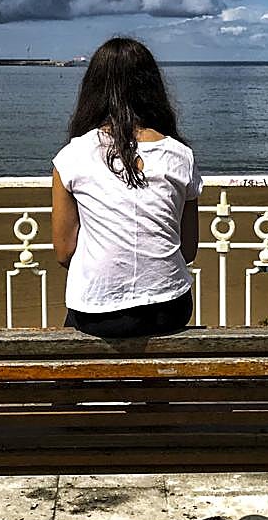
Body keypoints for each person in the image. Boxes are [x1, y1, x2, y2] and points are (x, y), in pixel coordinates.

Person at [51, 37, 202, 338]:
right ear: (153, 89)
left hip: (98, 313)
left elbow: (64, 251)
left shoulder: (73, 156)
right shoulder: (180, 156)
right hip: (168, 307)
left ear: (93, 90)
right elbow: (187, 250)